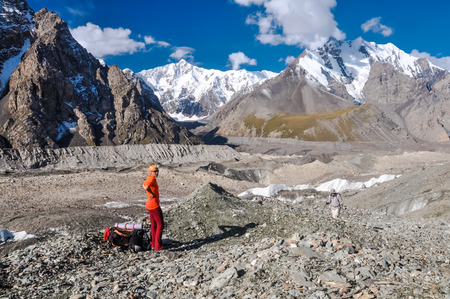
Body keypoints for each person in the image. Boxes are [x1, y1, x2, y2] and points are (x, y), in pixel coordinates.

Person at [143, 165, 164, 251]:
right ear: (151, 172)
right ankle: (158, 246)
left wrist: (150, 193)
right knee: (160, 225)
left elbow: (143, 184)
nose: (157, 173)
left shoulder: (150, 178)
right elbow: (146, 187)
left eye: (157, 171)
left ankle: (153, 244)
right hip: (154, 205)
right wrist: (151, 193)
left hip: (149, 205)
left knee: (154, 225)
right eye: (155, 171)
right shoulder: (151, 179)